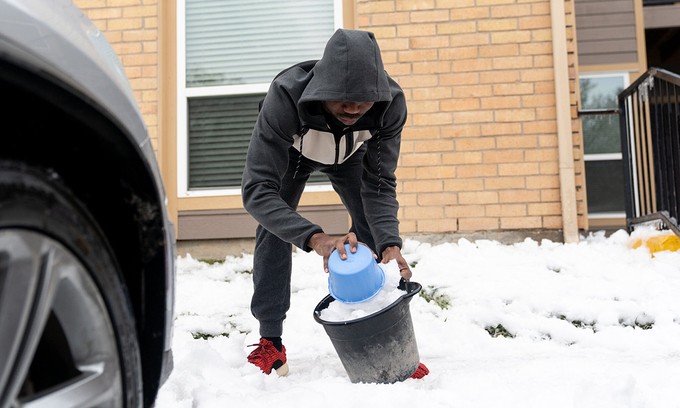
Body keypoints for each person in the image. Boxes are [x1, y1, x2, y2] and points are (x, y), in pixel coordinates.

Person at [241, 28, 429, 379]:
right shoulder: (285, 96)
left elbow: (380, 182)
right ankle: (270, 340)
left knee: (373, 230)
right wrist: (316, 238)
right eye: (342, 98)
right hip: (295, 155)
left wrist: (390, 242)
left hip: (350, 156)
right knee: (274, 228)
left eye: (363, 100)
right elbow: (256, 191)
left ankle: (382, 337)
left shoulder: (390, 104)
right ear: (321, 89)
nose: (353, 108)